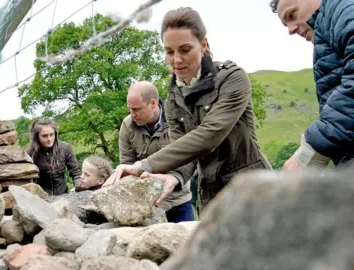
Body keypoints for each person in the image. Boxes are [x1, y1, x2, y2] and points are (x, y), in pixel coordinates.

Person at [104, 7, 272, 214]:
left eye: (185, 50)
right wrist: (175, 176)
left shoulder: (233, 78)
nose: (176, 60)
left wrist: (144, 165)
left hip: (253, 190)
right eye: (169, 51)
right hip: (211, 196)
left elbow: (210, 134)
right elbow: (182, 149)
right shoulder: (173, 99)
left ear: (203, 45)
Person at [269, 0, 354, 170]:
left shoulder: (342, 10)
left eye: (292, 15)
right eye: (286, 24)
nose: (291, 30)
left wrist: (310, 151)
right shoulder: (329, 26)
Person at [115, 81, 195, 222]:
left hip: (178, 201)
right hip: (146, 206)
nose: (132, 114)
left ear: (153, 103)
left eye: (136, 109)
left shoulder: (178, 121)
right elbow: (127, 163)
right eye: (130, 109)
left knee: (189, 243)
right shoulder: (127, 126)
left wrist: (175, 178)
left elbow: (191, 156)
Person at [27, 118, 81, 195]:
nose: (49, 139)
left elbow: (75, 172)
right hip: (42, 198)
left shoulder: (65, 148)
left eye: (52, 134)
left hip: (63, 195)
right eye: (44, 136)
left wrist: (79, 188)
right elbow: (27, 180)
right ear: (37, 136)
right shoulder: (30, 153)